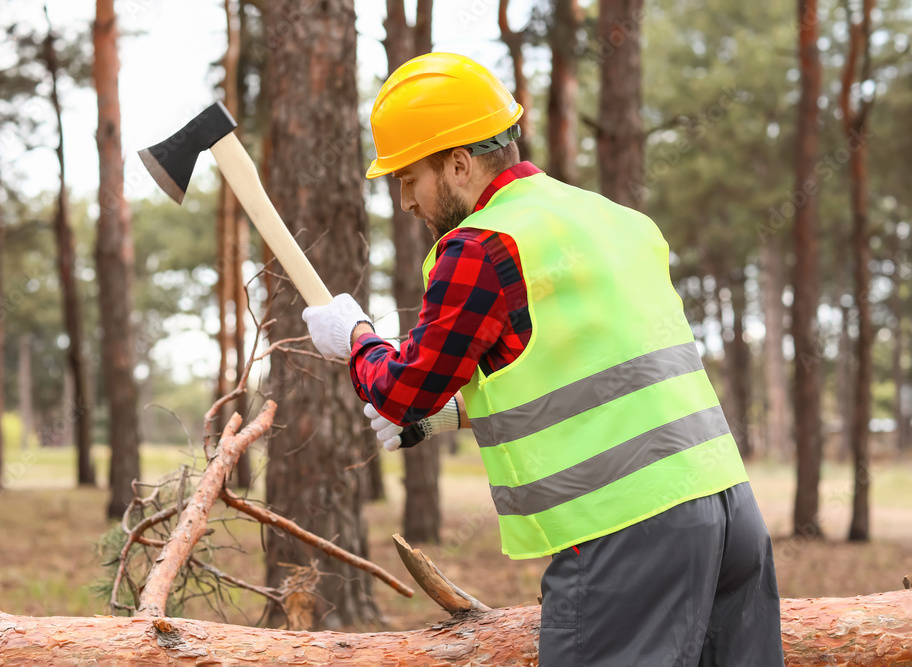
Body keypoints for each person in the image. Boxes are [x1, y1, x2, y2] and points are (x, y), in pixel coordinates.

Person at [302, 52, 784, 666]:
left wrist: (358, 338)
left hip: (625, 529)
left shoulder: (480, 246)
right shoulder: (612, 219)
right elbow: (593, 375)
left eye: (409, 178)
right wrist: (453, 416)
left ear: (458, 163)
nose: (405, 201)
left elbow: (402, 390)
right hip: (729, 510)